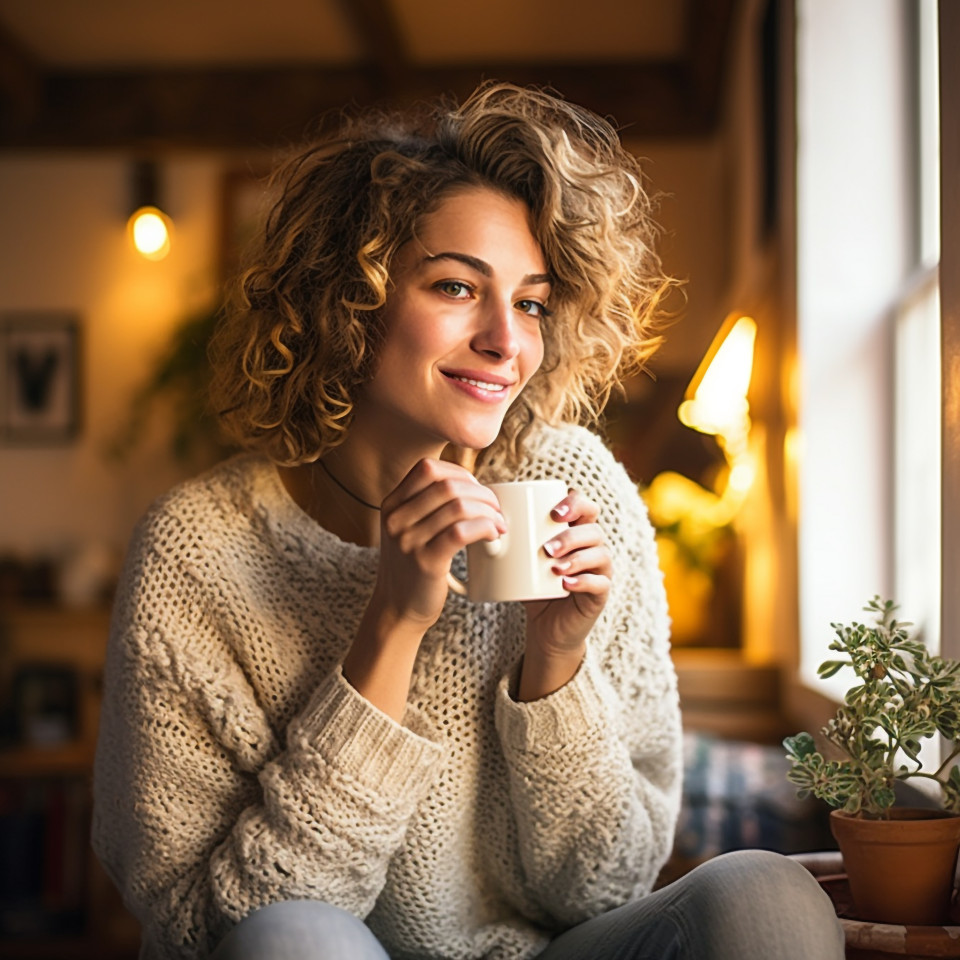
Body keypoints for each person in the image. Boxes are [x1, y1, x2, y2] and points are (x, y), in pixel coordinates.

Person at [92, 82, 844, 960]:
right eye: (456, 286)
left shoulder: (572, 485)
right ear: (348, 300)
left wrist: (556, 664)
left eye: (529, 302)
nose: (505, 340)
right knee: (295, 938)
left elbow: (605, 888)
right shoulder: (200, 551)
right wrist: (392, 624)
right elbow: (211, 932)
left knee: (765, 892)